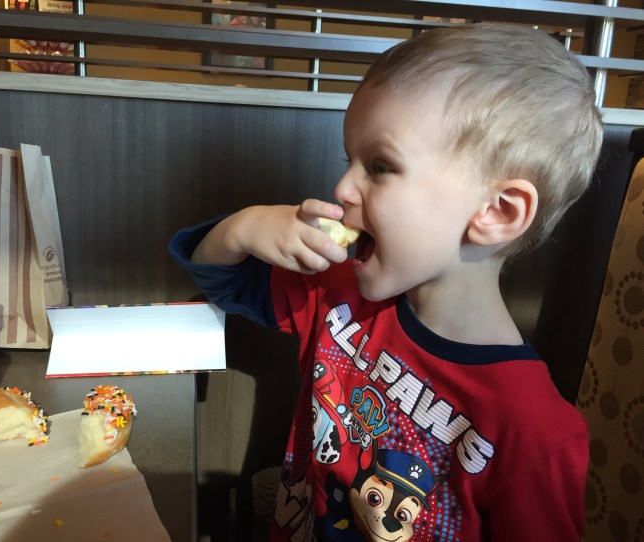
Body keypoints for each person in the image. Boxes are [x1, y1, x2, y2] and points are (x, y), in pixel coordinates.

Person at [169, 23, 603, 541]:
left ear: (496, 212)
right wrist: (244, 227)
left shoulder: (532, 432)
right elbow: (219, 277)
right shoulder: (339, 296)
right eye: (348, 160)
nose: (342, 187)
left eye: (379, 166)